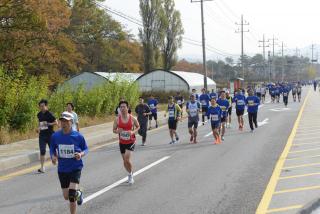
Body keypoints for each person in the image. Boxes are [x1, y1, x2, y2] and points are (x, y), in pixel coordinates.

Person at [50, 112, 88, 214]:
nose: (63, 123)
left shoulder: (78, 136)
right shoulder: (55, 136)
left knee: (71, 195)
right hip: (62, 169)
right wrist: (53, 157)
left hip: (75, 167)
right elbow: (52, 148)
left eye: (66, 121)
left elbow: (86, 149)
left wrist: (81, 154)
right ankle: (79, 193)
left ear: (71, 122)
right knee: (66, 196)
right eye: (62, 121)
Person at [113, 101, 140, 184]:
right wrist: (118, 131)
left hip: (131, 141)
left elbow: (138, 126)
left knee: (127, 159)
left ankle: (131, 175)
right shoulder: (117, 119)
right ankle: (129, 173)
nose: (122, 108)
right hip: (122, 142)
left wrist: (132, 132)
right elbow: (113, 130)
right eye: (121, 107)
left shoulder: (132, 118)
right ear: (119, 109)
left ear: (127, 108)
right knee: (124, 161)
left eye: (124, 107)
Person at [37, 99, 58, 173]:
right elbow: (40, 123)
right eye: (40, 106)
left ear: (46, 106)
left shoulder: (50, 114)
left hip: (50, 135)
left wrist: (49, 124)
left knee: (52, 149)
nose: (41, 107)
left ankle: (55, 159)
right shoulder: (39, 114)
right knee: (42, 150)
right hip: (42, 135)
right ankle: (42, 167)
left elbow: (56, 122)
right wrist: (38, 128)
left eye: (43, 106)